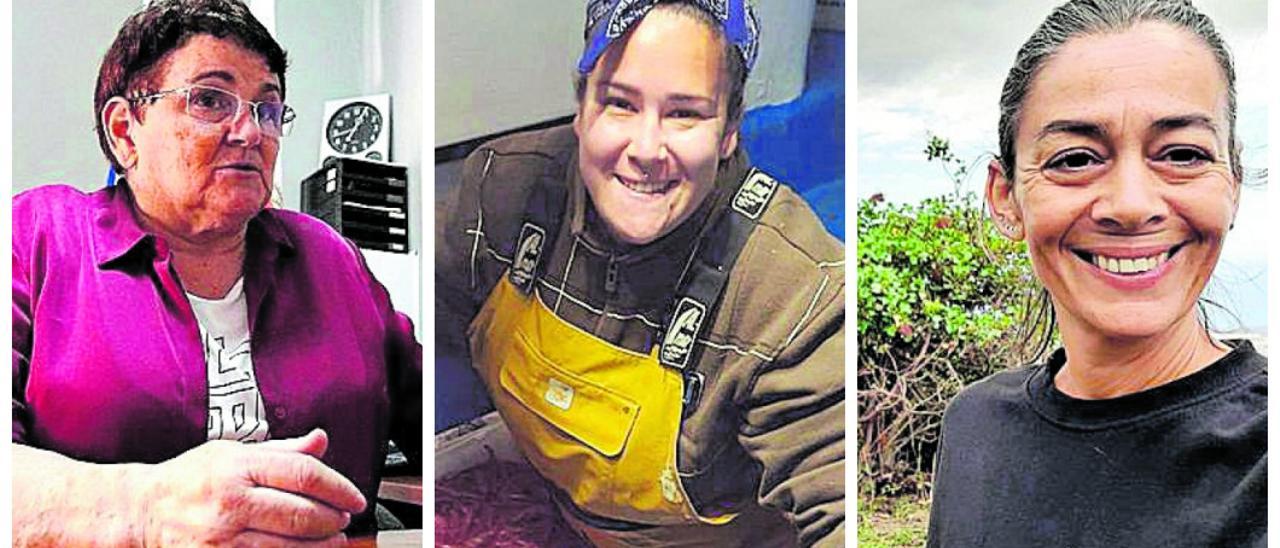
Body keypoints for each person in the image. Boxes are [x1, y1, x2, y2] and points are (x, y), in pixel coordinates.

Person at [12, 0, 421, 545]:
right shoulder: (37, 238)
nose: (251, 131)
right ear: (125, 132)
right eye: (209, 99)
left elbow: (428, 413)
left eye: (268, 108)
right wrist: (145, 513)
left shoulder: (329, 255)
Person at [437, 1, 845, 546]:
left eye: (685, 114)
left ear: (728, 132)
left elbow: (836, 493)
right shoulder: (500, 195)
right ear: (581, 109)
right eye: (620, 104)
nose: (646, 150)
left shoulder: (794, 293)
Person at [926, 1, 1265, 546]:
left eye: (1182, 154)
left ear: (1233, 186)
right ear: (1005, 197)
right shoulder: (974, 427)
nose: (1131, 206)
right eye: (1076, 159)